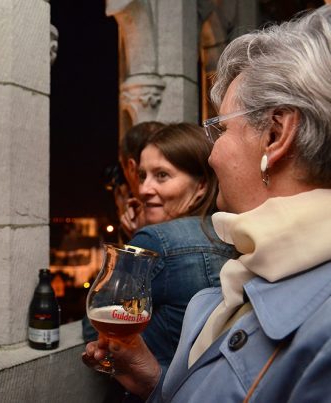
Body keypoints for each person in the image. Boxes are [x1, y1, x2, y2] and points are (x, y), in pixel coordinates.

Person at [83, 5, 331, 401]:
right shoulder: (248, 274)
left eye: (220, 129)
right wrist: (155, 383)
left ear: (275, 134)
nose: (212, 155)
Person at [84, 123, 238, 371]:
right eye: (142, 175)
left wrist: (136, 246)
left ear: (201, 185)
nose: (143, 189)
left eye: (162, 175)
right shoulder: (232, 232)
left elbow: (94, 326)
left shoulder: (155, 242)